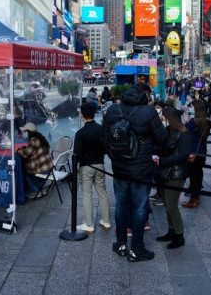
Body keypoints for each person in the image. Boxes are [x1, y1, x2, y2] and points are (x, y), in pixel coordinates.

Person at [102, 83, 168, 262]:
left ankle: (121, 244)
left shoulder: (113, 110)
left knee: (121, 206)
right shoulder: (148, 112)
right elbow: (163, 138)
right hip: (141, 169)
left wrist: (115, 157)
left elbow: (105, 138)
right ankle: (137, 249)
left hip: (119, 168)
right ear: (143, 97)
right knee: (140, 208)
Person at [153, 107, 191, 249]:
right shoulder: (169, 131)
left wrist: (162, 161)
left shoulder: (183, 133)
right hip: (165, 172)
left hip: (176, 173)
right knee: (167, 203)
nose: (162, 119)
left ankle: (179, 235)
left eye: (163, 117)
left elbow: (183, 155)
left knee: (171, 205)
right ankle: (171, 231)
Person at [74, 103, 110, 233]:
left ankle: (89, 224)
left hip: (86, 166)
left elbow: (77, 154)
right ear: (94, 114)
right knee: (103, 193)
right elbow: (106, 148)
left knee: (87, 194)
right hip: (100, 164)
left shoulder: (80, 133)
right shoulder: (101, 129)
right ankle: (106, 221)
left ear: (81, 115)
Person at [182, 100, 211, 208]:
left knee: (193, 175)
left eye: (192, 106)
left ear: (196, 108)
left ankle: (193, 199)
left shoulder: (194, 121)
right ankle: (197, 197)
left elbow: (184, 132)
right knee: (198, 173)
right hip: (202, 151)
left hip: (192, 151)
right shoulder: (205, 121)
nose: (190, 108)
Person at [16, 122, 53, 198]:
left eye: (25, 131)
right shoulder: (40, 138)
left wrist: (18, 150)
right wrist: (25, 149)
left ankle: (35, 191)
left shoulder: (33, 140)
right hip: (48, 166)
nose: (24, 133)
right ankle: (41, 188)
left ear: (29, 132)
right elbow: (33, 150)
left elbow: (25, 155)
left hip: (42, 168)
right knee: (29, 170)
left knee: (25, 171)